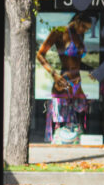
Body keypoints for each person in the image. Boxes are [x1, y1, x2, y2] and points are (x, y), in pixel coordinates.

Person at [36, 14, 93, 143]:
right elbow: (40, 55)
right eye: (83, 26)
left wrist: (93, 70)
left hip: (77, 83)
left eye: (87, 29)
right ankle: (58, 145)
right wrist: (54, 74)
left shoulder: (80, 35)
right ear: (77, 20)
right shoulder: (59, 32)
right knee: (60, 122)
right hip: (63, 81)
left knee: (77, 121)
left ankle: (73, 145)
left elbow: (76, 61)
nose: (84, 30)